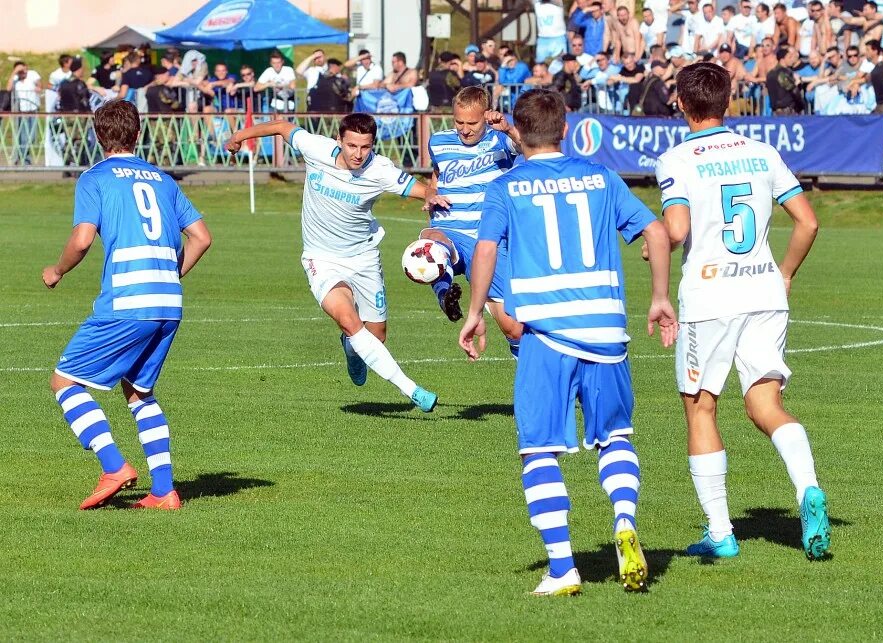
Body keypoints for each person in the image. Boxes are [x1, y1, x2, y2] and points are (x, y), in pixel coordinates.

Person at [458, 88, 677, 596]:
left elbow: (486, 249)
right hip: (606, 331)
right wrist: (661, 297)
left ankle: (562, 569)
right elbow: (659, 233)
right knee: (615, 438)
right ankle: (624, 521)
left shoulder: (507, 186)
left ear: (518, 128)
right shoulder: (601, 177)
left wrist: (474, 313)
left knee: (538, 450)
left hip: (547, 335)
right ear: (566, 127)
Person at [653, 62, 831, 560]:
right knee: (765, 406)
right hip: (763, 293)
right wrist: (786, 274)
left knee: (701, 407)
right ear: (728, 101)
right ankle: (807, 489)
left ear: (682, 104)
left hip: (710, 299)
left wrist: (656, 243)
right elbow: (808, 224)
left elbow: (679, 229)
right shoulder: (762, 152)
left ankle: (720, 533)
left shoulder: (676, 158)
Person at [42, 99, 212, 511]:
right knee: (138, 392)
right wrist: (170, 275)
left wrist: (58, 270)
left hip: (127, 300)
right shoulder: (163, 179)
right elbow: (202, 237)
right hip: (168, 301)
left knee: (64, 382)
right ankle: (164, 491)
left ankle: (114, 466)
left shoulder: (95, 177)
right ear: (139, 133)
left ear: (97, 135)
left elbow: (82, 240)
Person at [224, 114, 447, 411]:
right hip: (322, 258)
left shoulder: (381, 170)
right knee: (348, 318)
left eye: (365, 147)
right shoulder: (316, 149)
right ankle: (413, 390)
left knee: (376, 336)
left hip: (364, 259)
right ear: (338, 140)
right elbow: (280, 126)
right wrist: (240, 135)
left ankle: (351, 347)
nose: (357, 154)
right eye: (351, 145)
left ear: (373, 145)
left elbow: (422, 189)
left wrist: (432, 196)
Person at [421, 86, 524, 356]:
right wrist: (431, 194)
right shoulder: (439, 141)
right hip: (449, 229)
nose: (464, 129)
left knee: (515, 329)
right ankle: (446, 297)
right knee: (427, 246)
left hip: (487, 241)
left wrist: (509, 129)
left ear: (485, 116)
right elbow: (438, 174)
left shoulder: (499, 140)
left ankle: (538, 389)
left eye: (472, 123)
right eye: (459, 122)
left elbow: (529, 148)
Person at [6, 61, 41, 165]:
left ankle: (23, 157)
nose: (23, 72)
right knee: (23, 137)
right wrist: (14, 72)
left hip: (33, 110)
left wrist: (37, 88)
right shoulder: (16, 80)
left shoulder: (32, 75)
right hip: (21, 112)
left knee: (32, 136)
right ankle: (24, 159)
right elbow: (8, 88)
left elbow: (40, 86)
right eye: (20, 71)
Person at [767, 46, 806, 113]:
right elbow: (793, 90)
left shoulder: (770, 73)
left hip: (776, 110)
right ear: (782, 60)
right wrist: (801, 105)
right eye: (789, 58)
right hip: (787, 110)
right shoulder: (783, 73)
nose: (792, 60)